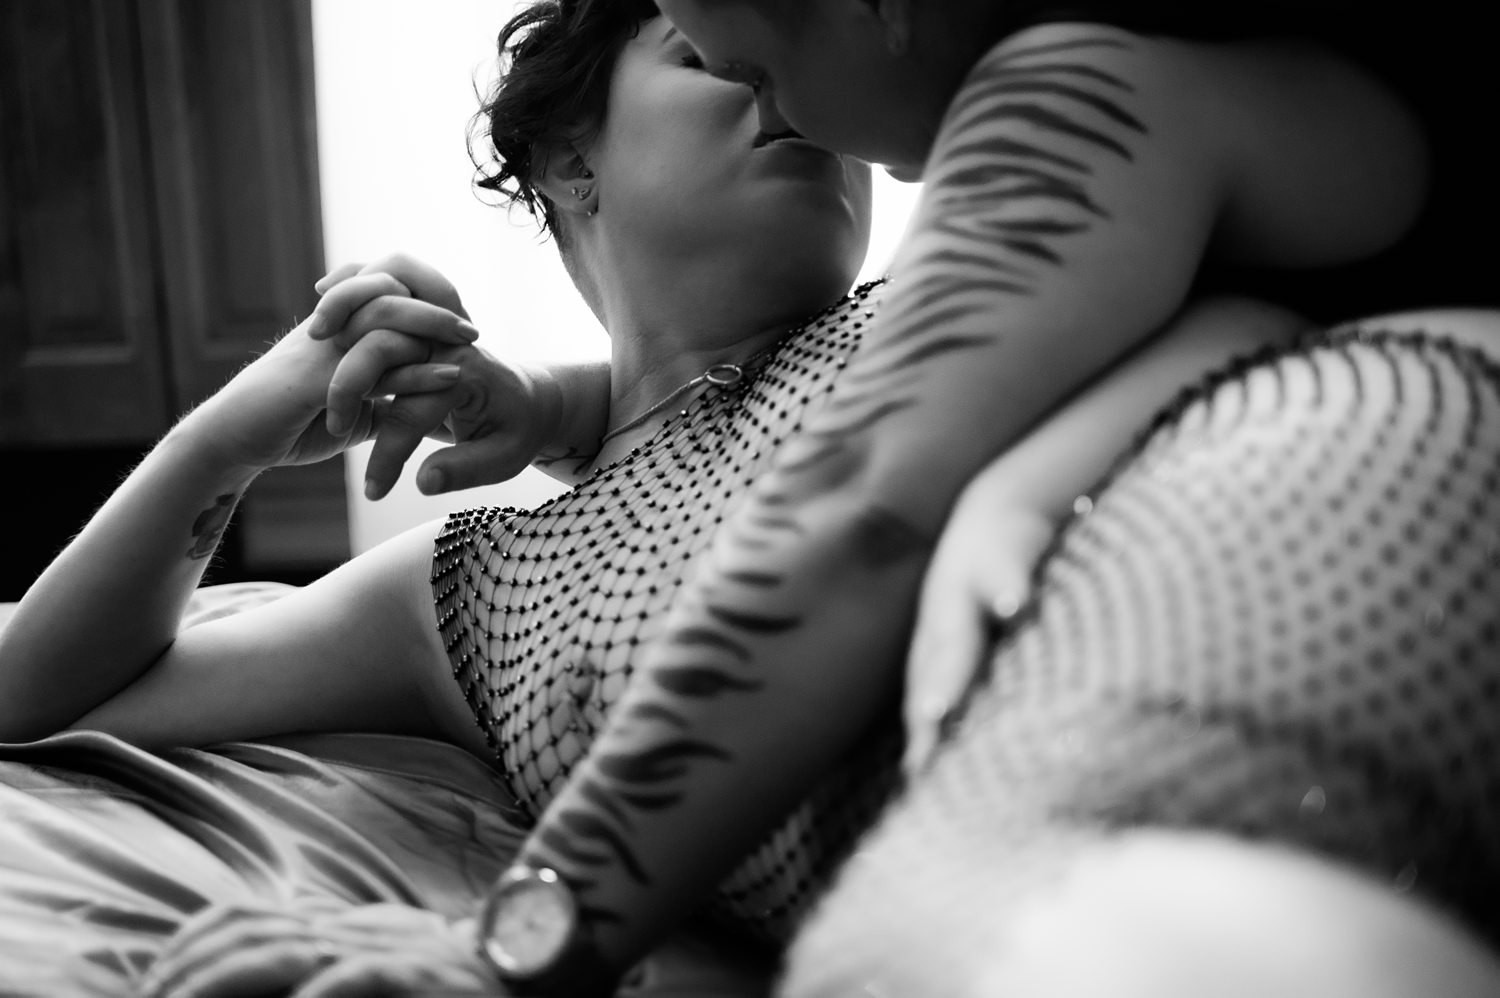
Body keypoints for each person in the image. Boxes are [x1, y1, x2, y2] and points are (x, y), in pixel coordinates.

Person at [0, 2, 1388, 997]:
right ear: (570, 165)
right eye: (705, 59)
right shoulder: (470, 588)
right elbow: (33, 689)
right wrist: (239, 433)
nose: (785, 101)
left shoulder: (980, 290)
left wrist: (555, 404)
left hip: (1250, 749)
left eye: (785, 65)